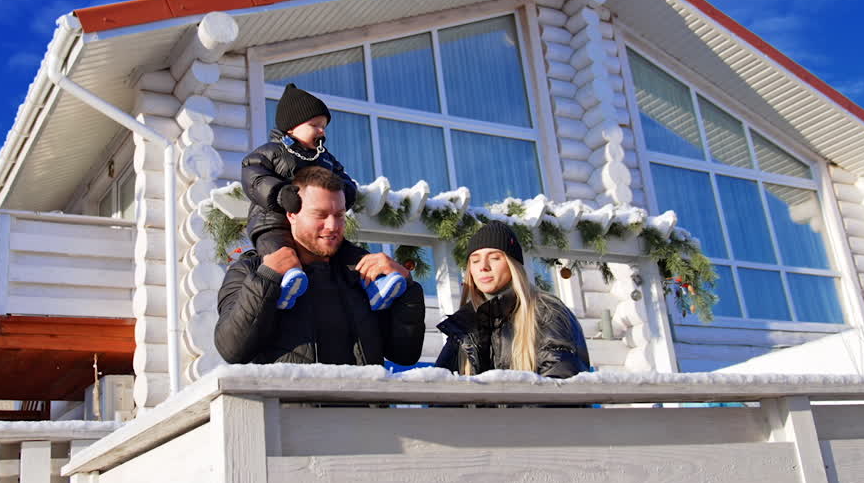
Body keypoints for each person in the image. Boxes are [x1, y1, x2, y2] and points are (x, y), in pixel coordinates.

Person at [216, 166, 426, 366]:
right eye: (320, 215)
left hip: (364, 394)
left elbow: (405, 354)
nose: (333, 226)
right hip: (289, 394)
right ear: (292, 214)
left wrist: (407, 288)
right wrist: (267, 278)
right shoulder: (250, 271)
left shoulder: (364, 275)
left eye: (339, 215)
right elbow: (232, 349)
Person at [241, 82, 405, 308]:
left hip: (316, 226)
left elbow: (343, 177)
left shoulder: (324, 158)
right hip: (274, 221)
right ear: (291, 129)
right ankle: (283, 285)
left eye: (324, 127)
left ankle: (375, 284)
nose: (321, 132)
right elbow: (253, 174)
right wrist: (280, 193)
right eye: (315, 125)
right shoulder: (273, 151)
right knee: (280, 251)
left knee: (347, 253)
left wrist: (343, 193)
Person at [436, 221, 590, 378]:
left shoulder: (546, 311)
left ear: (513, 265)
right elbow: (438, 385)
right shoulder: (464, 323)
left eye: (495, 258)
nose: (483, 267)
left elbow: (560, 379)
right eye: (475, 261)